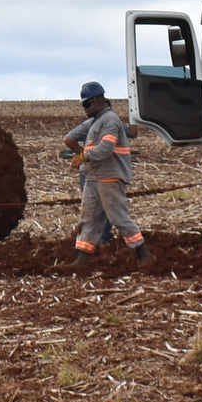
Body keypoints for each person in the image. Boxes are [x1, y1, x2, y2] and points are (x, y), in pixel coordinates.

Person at [63, 80, 149, 266]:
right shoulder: (95, 122)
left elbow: (106, 149)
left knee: (118, 217)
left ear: (98, 100)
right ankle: (82, 259)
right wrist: (83, 158)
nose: (84, 108)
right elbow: (69, 139)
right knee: (89, 218)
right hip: (94, 176)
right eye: (83, 104)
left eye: (87, 104)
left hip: (109, 176)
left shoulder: (110, 120)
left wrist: (83, 156)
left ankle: (144, 254)